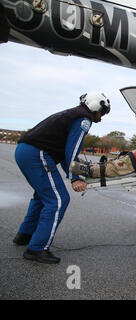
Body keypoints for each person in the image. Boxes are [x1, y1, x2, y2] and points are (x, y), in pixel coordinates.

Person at [13, 92, 111, 264]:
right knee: (58, 200)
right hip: (37, 154)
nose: (101, 117)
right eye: (102, 112)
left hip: (25, 150)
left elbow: (67, 154)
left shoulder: (70, 113)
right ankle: (37, 249)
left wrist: (77, 170)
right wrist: (75, 177)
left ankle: (25, 235)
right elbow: (71, 151)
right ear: (96, 106)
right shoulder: (84, 120)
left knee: (42, 197)